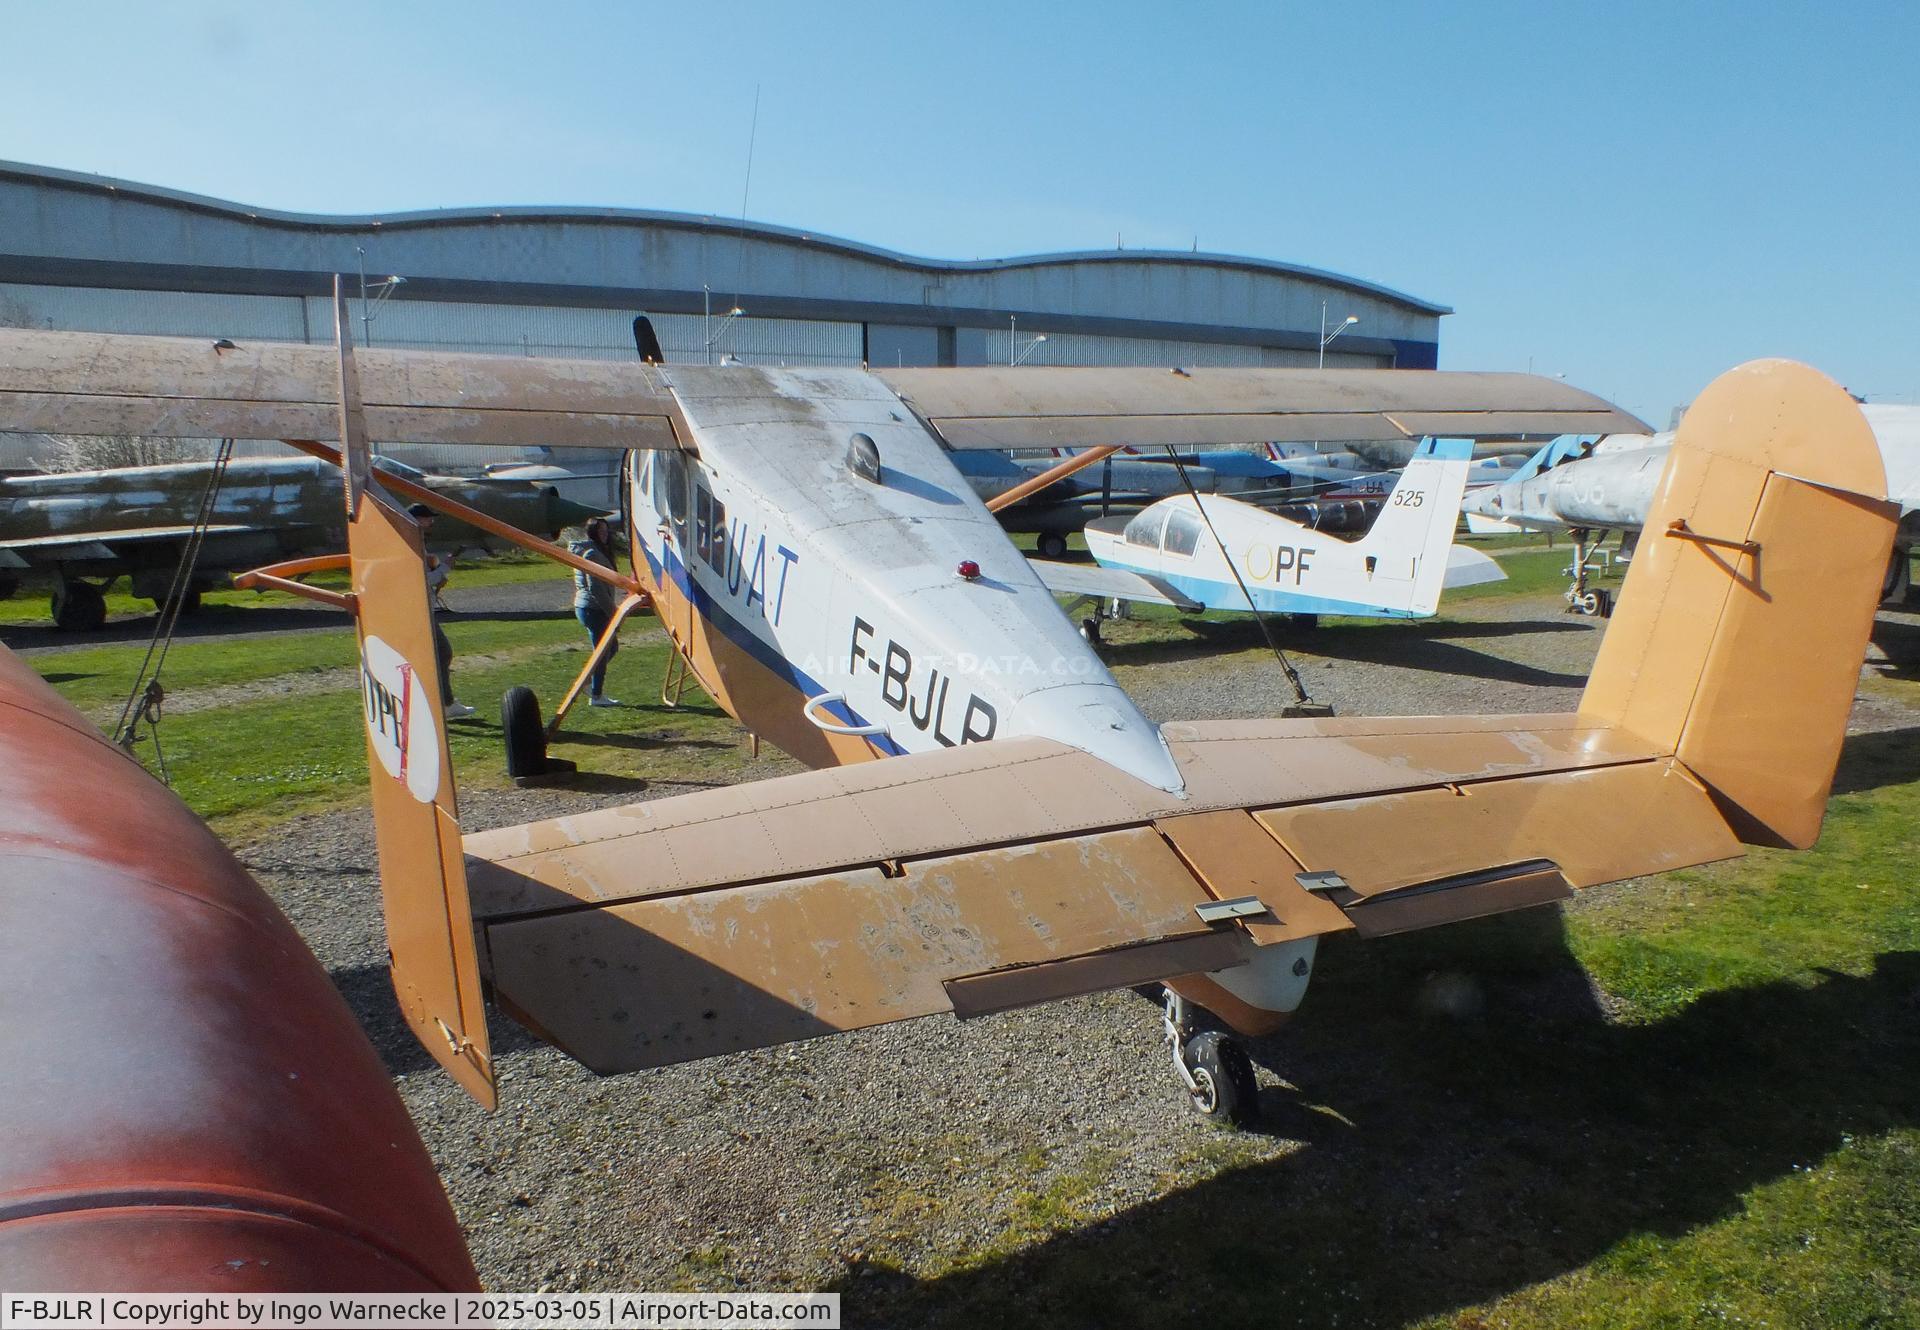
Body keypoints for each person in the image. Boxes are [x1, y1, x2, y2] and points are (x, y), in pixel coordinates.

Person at [409, 503, 476, 719]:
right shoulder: (413, 543)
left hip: (418, 607)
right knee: (442, 652)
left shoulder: (413, 542)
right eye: (427, 518)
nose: (431, 522)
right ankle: (445, 704)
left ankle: (434, 702)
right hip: (419, 610)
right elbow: (421, 579)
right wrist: (444, 567)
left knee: (431, 656)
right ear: (417, 519)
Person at [569, 516, 621, 706]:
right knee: (602, 652)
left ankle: (589, 683)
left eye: (606, 531)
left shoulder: (597, 551)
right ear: (593, 533)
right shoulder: (591, 553)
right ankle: (596, 695)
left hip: (593, 607)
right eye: (601, 532)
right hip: (593, 608)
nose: (605, 535)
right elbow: (596, 588)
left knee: (611, 648)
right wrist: (613, 611)